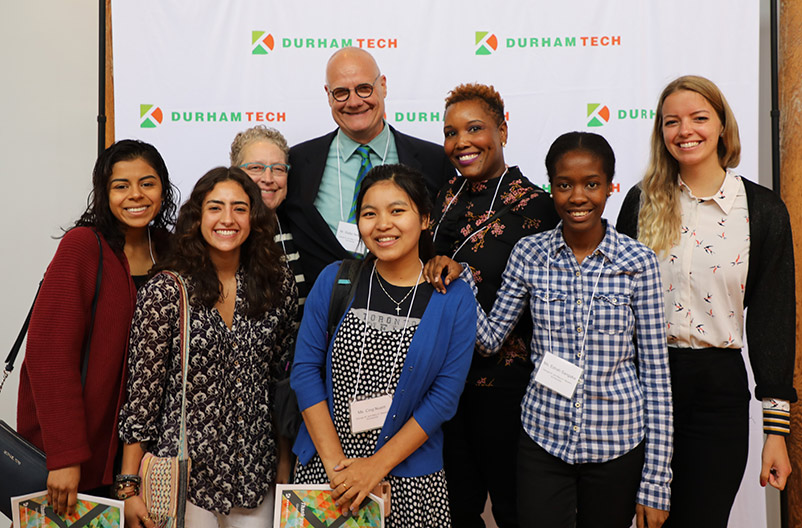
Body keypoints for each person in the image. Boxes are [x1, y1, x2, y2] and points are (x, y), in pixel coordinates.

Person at [428, 132, 672, 528]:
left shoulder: (638, 261)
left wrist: (656, 482)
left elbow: (657, 378)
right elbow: (489, 341)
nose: (578, 197)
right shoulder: (530, 253)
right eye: (564, 185)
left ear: (610, 186)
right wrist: (463, 282)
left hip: (618, 443)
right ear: (551, 188)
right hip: (544, 440)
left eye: (592, 184)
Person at [616, 75, 796, 527]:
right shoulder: (641, 202)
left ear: (722, 125)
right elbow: (613, 305)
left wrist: (776, 435)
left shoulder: (762, 209)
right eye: (671, 121)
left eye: (699, 118)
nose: (685, 131)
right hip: (646, 384)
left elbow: (772, 321)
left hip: (720, 390)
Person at [291, 164, 475, 528]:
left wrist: (374, 468)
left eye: (397, 210)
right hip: (328, 471)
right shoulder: (336, 279)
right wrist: (341, 473)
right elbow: (304, 372)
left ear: (424, 219)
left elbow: (443, 398)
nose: (383, 224)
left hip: (409, 481)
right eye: (369, 213)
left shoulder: (453, 297)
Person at [118, 167, 298, 528]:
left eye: (239, 208)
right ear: (197, 216)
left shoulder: (276, 284)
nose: (227, 219)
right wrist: (128, 486)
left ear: (254, 218)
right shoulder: (167, 291)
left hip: (254, 474)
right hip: (183, 476)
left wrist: (283, 463)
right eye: (215, 208)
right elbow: (143, 397)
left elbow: (282, 382)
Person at [16, 139, 177, 516]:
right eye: (121, 185)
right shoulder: (83, 247)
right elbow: (49, 356)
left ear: (164, 189)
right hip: (82, 451)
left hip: (144, 454)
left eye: (147, 183)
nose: (135, 195)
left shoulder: (172, 250)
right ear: (104, 193)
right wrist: (65, 455)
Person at [426, 83, 558, 527]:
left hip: (506, 387)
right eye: (450, 132)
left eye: (475, 128)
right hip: (442, 383)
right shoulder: (443, 198)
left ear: (502, 130)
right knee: (456, 511)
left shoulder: (539, 207)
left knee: (515, 508)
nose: (460, 142)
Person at [283, 47, 454, 287]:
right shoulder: (298, 162)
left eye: (364, 89)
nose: (354, 102)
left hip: (410, 306)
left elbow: (449, 236)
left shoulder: (434, 160)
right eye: (341, 92)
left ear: (383, 86)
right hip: (324, 309)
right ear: (328, 95)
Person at [230, 125, 309, 318]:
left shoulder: (302, 228)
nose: (268, 178)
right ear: (234, 172)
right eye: (256, 168)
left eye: (278, 169)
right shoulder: (222, 233)